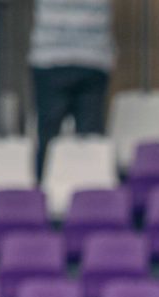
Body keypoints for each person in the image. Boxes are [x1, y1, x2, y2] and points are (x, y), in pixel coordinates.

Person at [29, 0, 114, 172]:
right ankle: (80, 181)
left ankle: (51, 180)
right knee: (83, 137)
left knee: (56, 135)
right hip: (88, 57)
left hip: (60, 57)